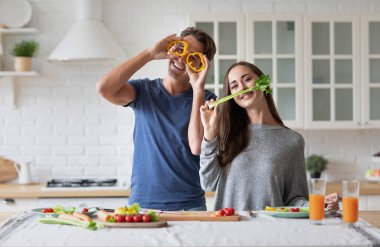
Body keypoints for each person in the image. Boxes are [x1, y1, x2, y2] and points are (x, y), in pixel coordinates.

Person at [96, 27, 216, 211]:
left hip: (190, 206)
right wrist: (150, 53)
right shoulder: (143, 91)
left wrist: (198, 88)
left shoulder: (207, 100)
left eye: (192, 57)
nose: (182, 59)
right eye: (181, 49)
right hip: (143, 204)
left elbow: (198, 146)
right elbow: (104, 88)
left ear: (200, 65)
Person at [199, 61, 339, 211]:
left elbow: (294, 198)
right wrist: (209, 134)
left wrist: (316, 204)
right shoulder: (226, 134)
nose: (242, 87)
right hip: (229, 227)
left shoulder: (292, 141)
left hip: (272, 228)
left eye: (247, 79)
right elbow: (208, 184)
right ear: (232, 96)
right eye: (234, 86)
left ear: (263, 83)